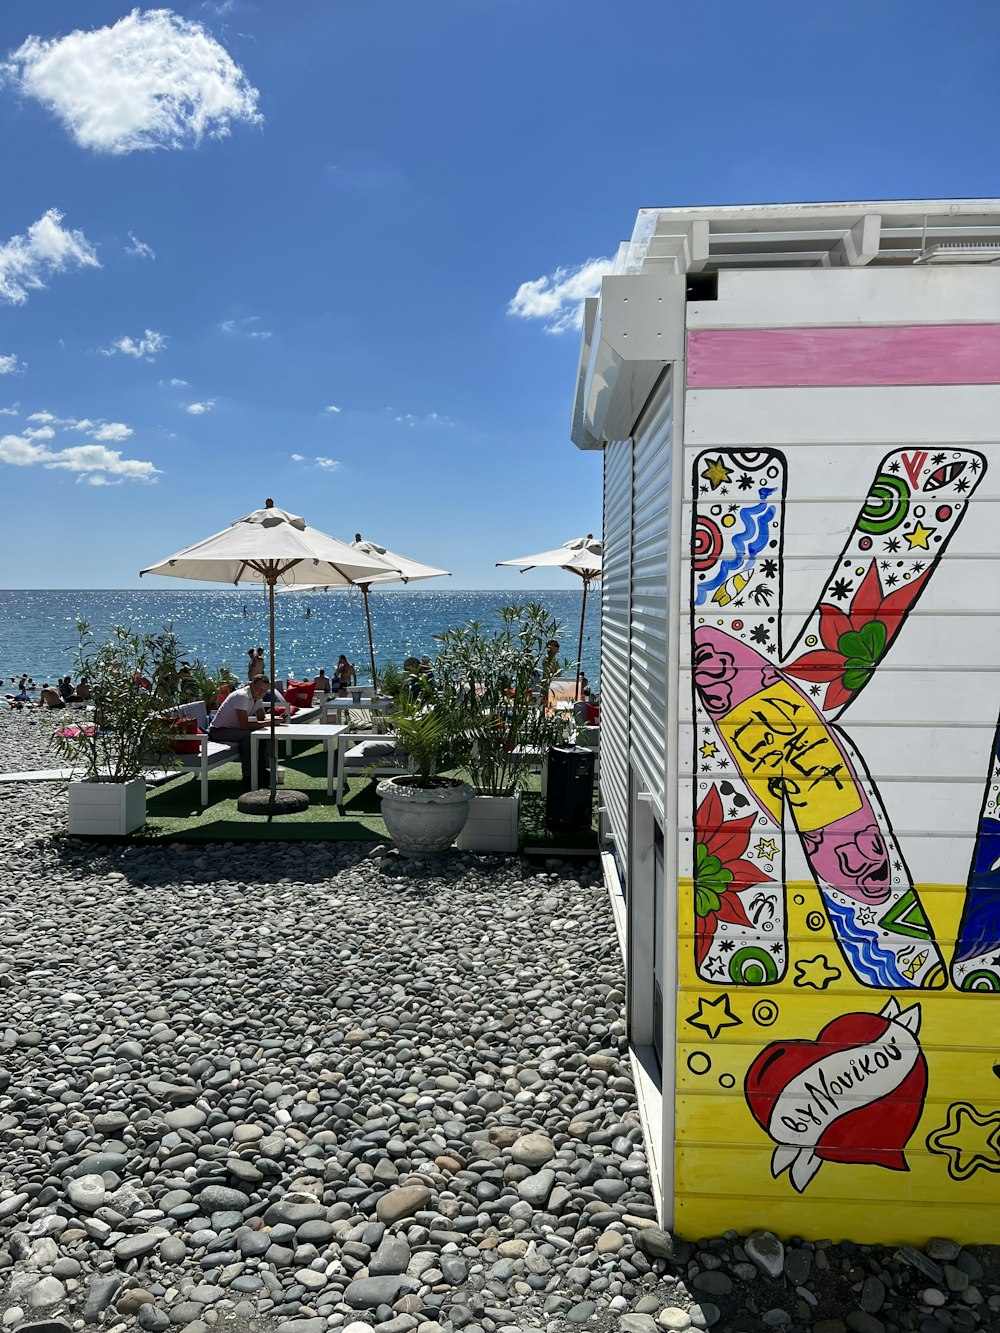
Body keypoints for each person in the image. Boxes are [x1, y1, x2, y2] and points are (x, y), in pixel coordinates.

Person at [208, 675, 284, 786]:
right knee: (248, 736)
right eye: (259, 688)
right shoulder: (242, 696)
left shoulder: (257, 697)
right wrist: (271, 722)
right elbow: (244, 725)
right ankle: (248, 776)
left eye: (264, 690)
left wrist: (276, 719)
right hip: (219, 731)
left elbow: (262, 719)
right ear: (251, 684)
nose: (261, 692)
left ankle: (261, 770)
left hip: (234, 730)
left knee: (264, 735)